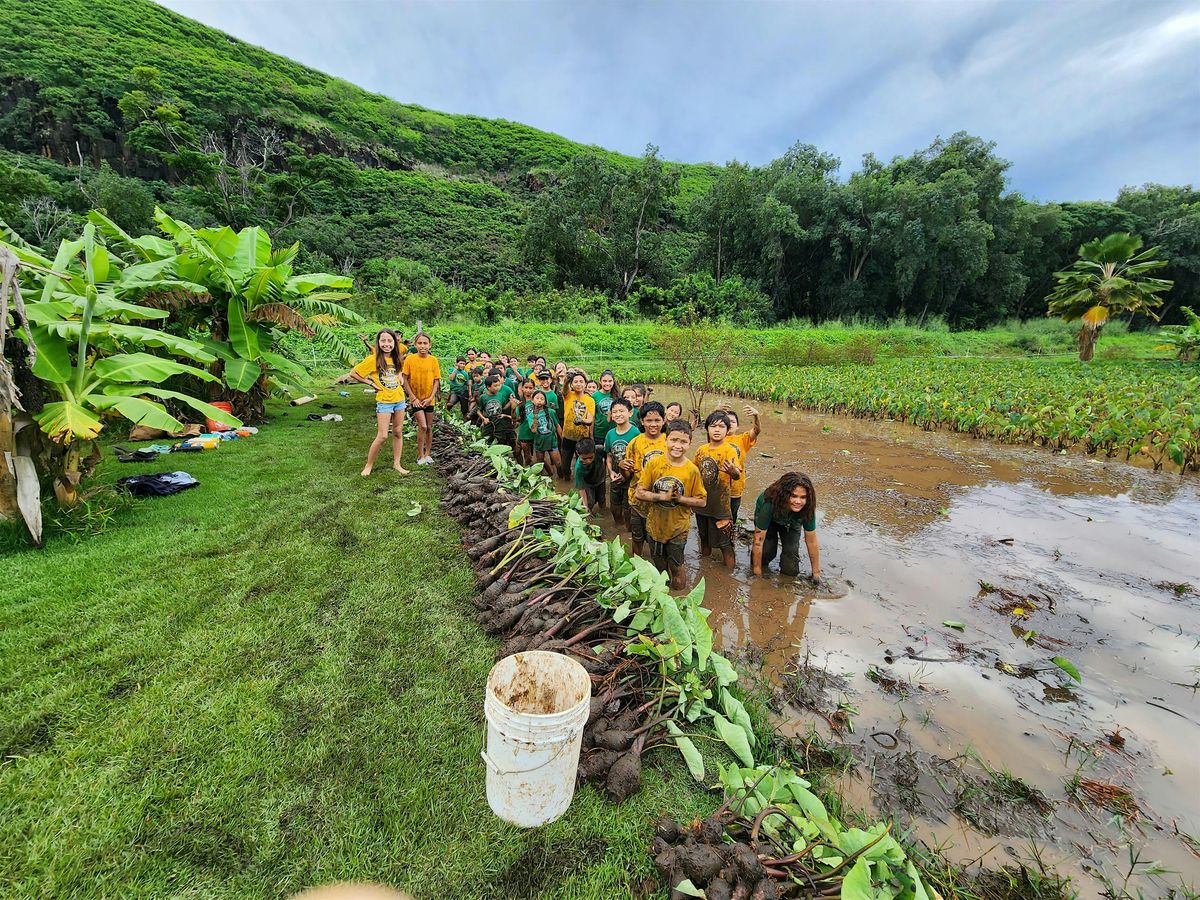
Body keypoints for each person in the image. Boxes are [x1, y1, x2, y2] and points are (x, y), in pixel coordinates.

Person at [636, 420, 706, 589]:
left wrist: (679, 499)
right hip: (654, 524)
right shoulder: (654, 464)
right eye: (674, 440)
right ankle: (663, 593)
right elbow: (639, 492)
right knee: (659, 563)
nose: (677, 445)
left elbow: (702, 501)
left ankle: (679, 594)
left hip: (678, 528)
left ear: (689, 444)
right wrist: (662, 497)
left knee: (676, 566)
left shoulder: (692, 470)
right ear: (666, 440)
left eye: (683, 442)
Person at [348, 328, 410, 476]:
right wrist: (370, 383)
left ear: (395, 343)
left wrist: (400, 377)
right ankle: (368, 465)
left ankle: (397, 464)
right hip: (384, 401)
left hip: (399, 399)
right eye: (383, 341)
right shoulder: (374, 359)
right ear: (378, 342)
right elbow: (353, 373)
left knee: (398, 432)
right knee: (382, 436)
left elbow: (399, 370)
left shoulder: (397, 358)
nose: (386, 344)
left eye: (390, 341)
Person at [692, 410, 741, 568]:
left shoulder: (729, 450)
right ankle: (705, 568)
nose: (717, 429)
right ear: (707, 429)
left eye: (721, 426)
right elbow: (693, 472)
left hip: (721, 504)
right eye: (713, 426)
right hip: (702, 502)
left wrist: (733, 471)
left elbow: (736, 475)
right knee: (703, 537)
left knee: (725, 543)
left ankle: (730, 573)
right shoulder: (701, 450)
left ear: (727, 430)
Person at [751, 472, 821, 581]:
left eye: (803, 497)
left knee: (791, 568)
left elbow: (811, 541)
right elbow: (758, 540)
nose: (798, 501)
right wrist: (757, 574)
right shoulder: (769, 503)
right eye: (793, 496)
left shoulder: (807, 508)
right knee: (767, 552)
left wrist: (816, 573)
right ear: (785, 494)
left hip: (792, 521)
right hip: (770, 520)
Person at [621, 401, 666, 557]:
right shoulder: (635, 443)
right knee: (637, 538)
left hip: (661, 502)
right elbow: (628, 476)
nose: (653, 424)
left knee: (659, 541)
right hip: (637, 500)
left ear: (664, 420)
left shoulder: (670, 442)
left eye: (657, 420)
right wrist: (622, 466)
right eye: (649, 420)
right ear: (641, 421)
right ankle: (637, 563)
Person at [402, 332, 440, 466]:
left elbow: (436, 380)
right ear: (415, 344)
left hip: (429, 399)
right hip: (416, 399)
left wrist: (431, 398)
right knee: (422, 426)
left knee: (429, 427)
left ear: (430, 345)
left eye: (425, 343)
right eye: (420, 343)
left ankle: (428, 454)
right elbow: (405, 379)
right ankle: (420, 455)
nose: (422, 346)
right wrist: (412, 397)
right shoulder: (410, 359)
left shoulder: (433, 360)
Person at [604, 398, 640, 529]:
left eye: (621, 411)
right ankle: (619, 530)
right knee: (614, 508)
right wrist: (611, 472)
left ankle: (628, 532)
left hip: (631, 477)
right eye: (614, 412)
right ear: (611, 415)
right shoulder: (610, 434)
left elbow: (639, 459)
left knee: (628, 509)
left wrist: (626, 474)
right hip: (615, 475)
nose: (618, 414)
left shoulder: (636, 433)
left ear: (630, 413)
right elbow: (608, 456)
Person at [722, 404, 761, 522]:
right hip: (717, 485)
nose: (729, 424)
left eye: (733, 422)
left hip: (735, 485)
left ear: (738, 426)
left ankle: (730, 535)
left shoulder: (742, 440)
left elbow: (756, 430)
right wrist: (716, 411)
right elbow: (711, 425)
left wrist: (756, 416)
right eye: (726, 421)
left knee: (732, 515)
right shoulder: (715, 437)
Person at [560, 371, 595, 480]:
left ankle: (583, 482)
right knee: (565, 465)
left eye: (581, 381)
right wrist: (566, 381)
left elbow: (590, 419)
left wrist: (581, 421)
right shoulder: (568, 395)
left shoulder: (590, 400)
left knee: (584, 462)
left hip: (582, 437)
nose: (578, 384)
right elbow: (564, 389)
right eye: (575, 381)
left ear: (585, 384)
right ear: (572, 384)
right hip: (568, 436)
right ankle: (567, 479)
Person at [527, 390, 562, 472]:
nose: (539, 400)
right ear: (532, 400)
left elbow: (557, 426)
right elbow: (534, 430)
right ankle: (550, 475)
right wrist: (535, 416)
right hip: (539, 443)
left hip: (552, 442)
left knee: (559, 464)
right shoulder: (530, 415)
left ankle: (561, 478)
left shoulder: (551, 412)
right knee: (540, 464)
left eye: (542, 399)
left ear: (545, 401)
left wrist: (562, 439)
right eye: (537, 398)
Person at [478, 374, 516, 446]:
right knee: (487, 440)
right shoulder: (483, 397)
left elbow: (503, 407)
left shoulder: (500, 395)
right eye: (495, 386)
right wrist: (483, 418)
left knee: (500, 440)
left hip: (500, 422)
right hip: (489, 422)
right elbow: (479, 410)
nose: (498, 388)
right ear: (488, 387)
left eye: (499, 385)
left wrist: (511, 403)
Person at [573, 438, 607, 515]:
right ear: (578, 454)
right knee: (590, 502)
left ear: (594, 452)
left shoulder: (600, 449)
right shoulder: (578, 468)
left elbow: (609, 455)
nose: (588, 461)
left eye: (591, 457)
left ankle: (604, 512)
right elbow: (581, 488)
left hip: (600, 478)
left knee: (602, 499)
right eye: (584, 458)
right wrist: (585, 506)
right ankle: (590, 515)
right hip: (587, 483)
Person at [592, 370, 620, 449]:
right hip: (599, 433)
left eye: (610, 381)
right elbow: (593, 416)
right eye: (604, 381)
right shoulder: (595, 396)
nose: (607, 383)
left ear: (613, 382)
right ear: (600, 382)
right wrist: (591, 434)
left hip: (614, 431)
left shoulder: (617, 395)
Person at [514, 378, 537, 466]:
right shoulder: (520, 403)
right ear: (522, 388)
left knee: (537, 455)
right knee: (526, 456)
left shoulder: (537, 401)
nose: (528, 390)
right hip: (524, 432)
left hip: (536, 432)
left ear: (534, 388)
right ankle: (523, 469)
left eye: (530, 388)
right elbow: (517, 419)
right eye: (526, 387)